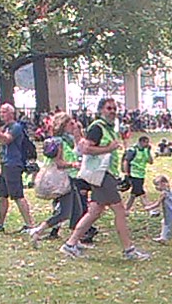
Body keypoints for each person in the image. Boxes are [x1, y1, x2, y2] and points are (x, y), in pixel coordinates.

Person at [63, 102, 147, 260]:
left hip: (105, 175)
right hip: (102, 175)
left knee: (94, 211)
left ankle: (70, 244)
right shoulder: (97, 128)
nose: (112, 112)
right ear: (101, 110)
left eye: (115, 109)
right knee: (120, 211)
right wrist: (108, 149)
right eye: (109, 108)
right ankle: (129, 250)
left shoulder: (108, 128)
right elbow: (86, 149)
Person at [0, 103, 37, 234]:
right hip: (5, 165)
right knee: (1, 195)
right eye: (1, 112)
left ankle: (30, 225)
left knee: (17, 195)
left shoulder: (16, 127)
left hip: (13, 164)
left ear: (12, 113)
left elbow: (6, 139)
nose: (2, 114)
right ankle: (0, 224)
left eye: (4, 112)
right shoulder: (5, 127)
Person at [122, 125, 152, 206]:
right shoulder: (133, 150)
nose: (147, 144)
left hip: (141, 174)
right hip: (133, 174)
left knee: (133, 194)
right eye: (146, 142)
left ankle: (126, 209)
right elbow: (126, 161)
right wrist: (126, 173)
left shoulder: (146, 150)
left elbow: (150, 161)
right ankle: (149, 208)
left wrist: (149, 152)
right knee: (141, 193)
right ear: (141, 142)